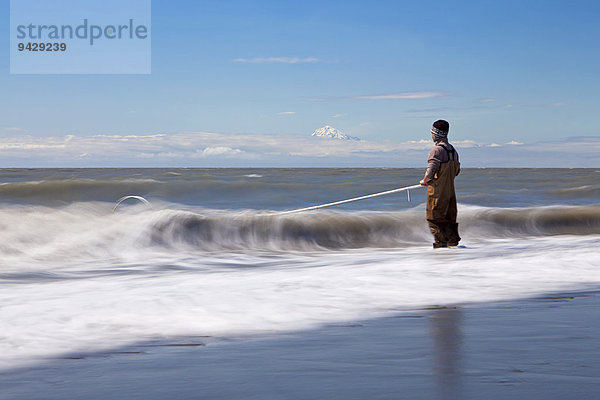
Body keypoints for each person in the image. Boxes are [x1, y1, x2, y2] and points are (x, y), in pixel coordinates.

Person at [419, 120, 461, 248]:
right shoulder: (453, 151)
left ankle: (441, 247)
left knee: (434, 219)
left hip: (437, 194)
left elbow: (432, 168)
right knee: (450, 220)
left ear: (436, 134)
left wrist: (425, 180)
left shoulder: (436, 151)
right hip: (450, 194)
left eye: (432, 133)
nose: (431, 135)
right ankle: (453, 247)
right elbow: (457, 172)